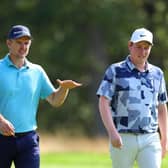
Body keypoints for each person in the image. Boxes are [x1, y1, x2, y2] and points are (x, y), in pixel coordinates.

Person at [0, 25, 82, 168]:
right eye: (19, 42)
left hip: (28, 140)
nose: (23, 46)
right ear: (9, 43)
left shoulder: (37, 71)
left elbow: (55, 100)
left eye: (26, 43)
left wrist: (63, 89)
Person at [97, 28, 168, 168]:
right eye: (138, 47)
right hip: (123, 137)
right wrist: (112, 132)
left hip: (150, 138)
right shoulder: (115, 71)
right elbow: (103, 102)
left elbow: (161, 107)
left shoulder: (157, 74)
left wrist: (165, 138)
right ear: (130, 45)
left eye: (146, 48)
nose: (142, 52)